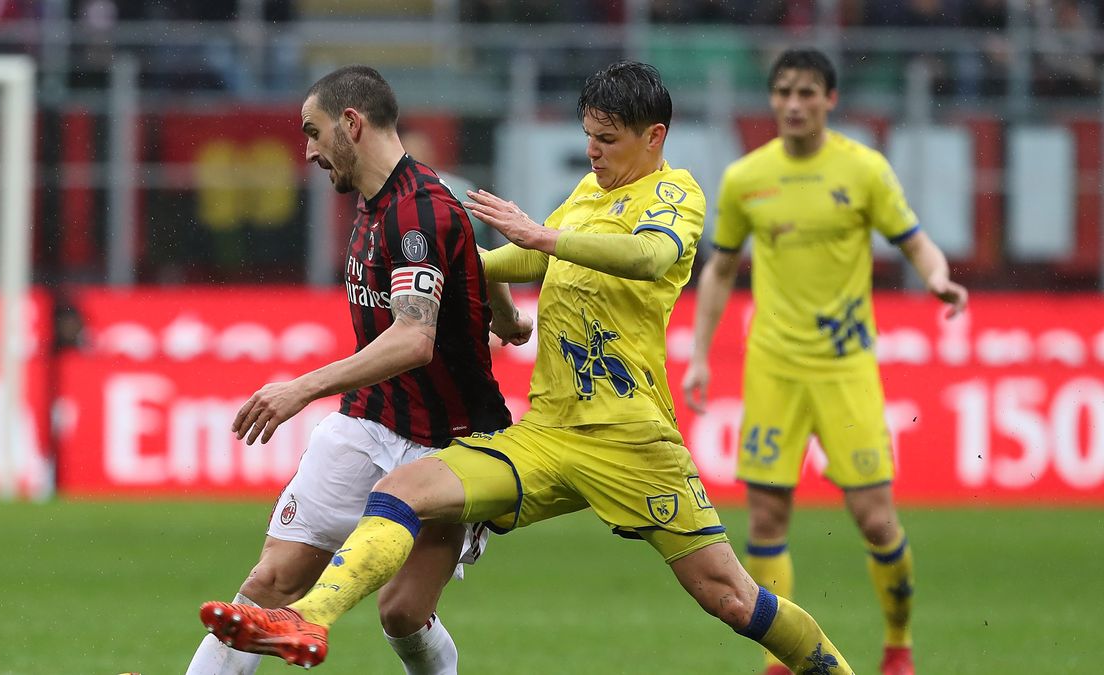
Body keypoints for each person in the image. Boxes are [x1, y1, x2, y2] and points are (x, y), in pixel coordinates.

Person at [197, 60, 853, 675]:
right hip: (549, 431)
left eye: (608, 138)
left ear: (655, 137)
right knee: (404, 491)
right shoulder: (587, 195)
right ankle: (306, 620)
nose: (592, 150)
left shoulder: (673, 192)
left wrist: (542, 235)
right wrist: (451, 270)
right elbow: (525, 263)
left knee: (731, 599)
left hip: (630, 439)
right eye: (588, 135)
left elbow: (652, 258)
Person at [185, 65, 524, 675]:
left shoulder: (418, 210)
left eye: (313, 132)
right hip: (368, 421)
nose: (308, 150)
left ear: (352, 123)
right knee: (271, 580)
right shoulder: (378, 201)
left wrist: (301, 388)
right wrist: (505, 315)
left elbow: (414, 339)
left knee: (401, 612)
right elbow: (471, 252)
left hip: (451, 444)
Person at [681, 48, 968, 675]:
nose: (792, 103)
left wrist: (939, 278)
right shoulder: (746, 178)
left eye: (807, 92)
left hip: (845, 368)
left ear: (830, 100)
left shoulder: (863, 171)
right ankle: (780, 661)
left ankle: (898, 644)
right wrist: (700, 356)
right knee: (765, 516)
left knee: (874, 518)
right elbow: (721, 269)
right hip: (773, 367)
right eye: (783, 91)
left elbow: (915, 242)